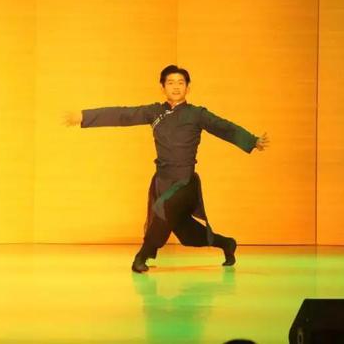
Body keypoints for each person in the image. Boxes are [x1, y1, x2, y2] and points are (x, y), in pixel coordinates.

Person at [64, 65, 269, 273]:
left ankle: (141, 257)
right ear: (163, 87)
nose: (176, 87)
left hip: (185, 183)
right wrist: (84, 116)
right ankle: (226, 243)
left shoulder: (197, 114)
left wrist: (252, 141)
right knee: (189, 236)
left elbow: (224, 127)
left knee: (163, 207)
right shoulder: (155, 112)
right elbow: (123, 114)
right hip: (162, 182)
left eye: (181, 83)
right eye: (170, 83)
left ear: (188, 87)